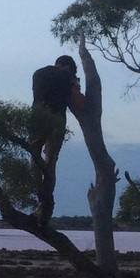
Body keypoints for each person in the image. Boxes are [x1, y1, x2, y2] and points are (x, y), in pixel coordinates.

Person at [31, 54, 85, 192]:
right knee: (51, 160)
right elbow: (78, 102)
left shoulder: (38, 73)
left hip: (36, 119)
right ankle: (46, 195)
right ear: (68, 67)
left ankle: (37, 190)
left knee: (35, 156)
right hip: (57, 122)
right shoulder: (68, 76)